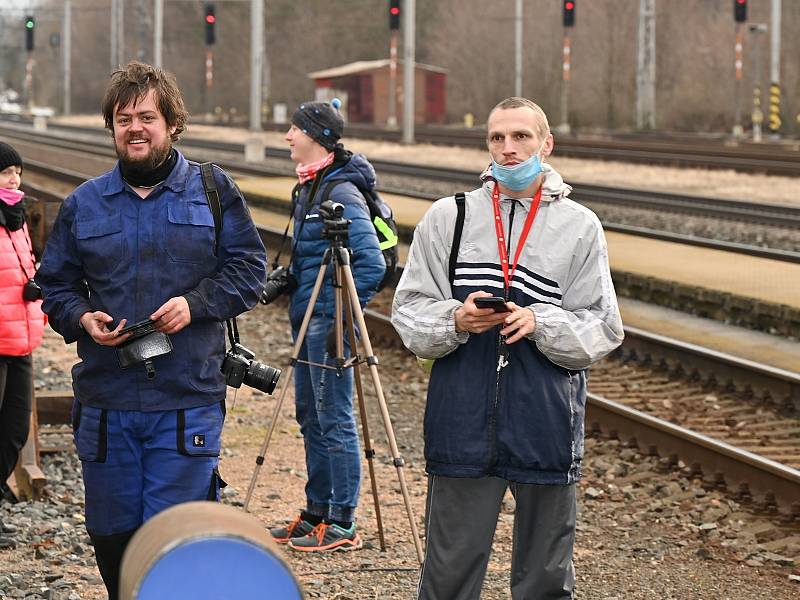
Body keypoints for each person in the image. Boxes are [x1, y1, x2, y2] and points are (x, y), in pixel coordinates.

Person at [35, 61, 266, 598]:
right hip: (107, 401)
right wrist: (81, 318)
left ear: (171, 123)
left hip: (185, 399)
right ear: (111, 128)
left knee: (175, 542)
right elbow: (55, 286)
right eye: (122, 119)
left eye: (146, 116)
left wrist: (195, 303)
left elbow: (248, 272)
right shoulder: (84, 203)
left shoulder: (212, 191)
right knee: (112, 537)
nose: (134, 128)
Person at [391, 96, 624, 599]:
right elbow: (407, 312)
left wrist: (541, 322)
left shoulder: (580, 226)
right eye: (497, 137)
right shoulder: (447, 218)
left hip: (546, 421)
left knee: (544, 577)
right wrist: (456, 318)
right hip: (461, 421)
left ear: (546, 143)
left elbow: (603, 327)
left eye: (521, 137)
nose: (509, 149)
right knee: (448, 573)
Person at [266, 98, 385, 552]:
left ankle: (343, 521)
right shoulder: (312, 188)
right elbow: (314, 256)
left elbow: (370, 265)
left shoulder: (341, 192)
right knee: (310, 415)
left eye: (294, 129)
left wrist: (335, 316)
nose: (287, 136)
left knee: (333, 417)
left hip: (326, 325)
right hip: (308, 320)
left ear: (315, 136)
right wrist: (286, 281)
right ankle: (316, 512)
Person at [0, 142, 47, 550]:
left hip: (20, 338)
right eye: (5, 172)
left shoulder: (15, 217)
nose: (13, 179)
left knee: (13, 431)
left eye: (16, 171)